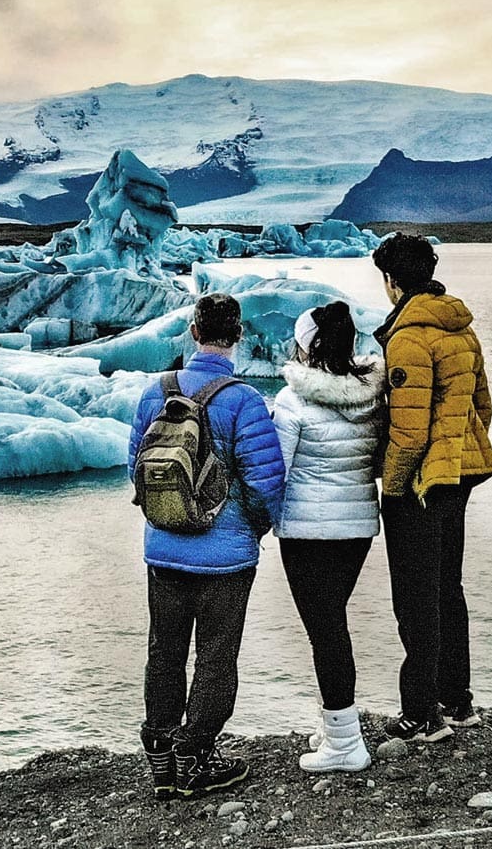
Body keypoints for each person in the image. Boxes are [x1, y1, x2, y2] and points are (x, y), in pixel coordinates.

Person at [129, 292, 286, 799]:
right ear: (237, 336)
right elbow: (266, 483)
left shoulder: (156, 392)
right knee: (216, 657)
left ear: (193, 332)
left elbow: (134, 464)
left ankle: (160, 756)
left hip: (164, 549)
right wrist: (255, 530)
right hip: (226, 557)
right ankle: (195, 758)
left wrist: (163, 518)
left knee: (165, 651)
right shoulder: (243, 400)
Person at [372, 233, 492, 742]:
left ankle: (422, 714)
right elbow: (482, 407)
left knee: (415, 596)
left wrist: (394, 488)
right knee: (449, 586)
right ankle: (458, 701)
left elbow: (407, 432)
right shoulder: (461, 329)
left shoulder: (409, 338)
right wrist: (458, 453)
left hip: (421, 483)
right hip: (460, 473)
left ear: (392, 281)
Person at [271, 301, 384, 773]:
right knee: (332, 623)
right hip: (356, 528)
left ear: (307, 344)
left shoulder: (292, 400)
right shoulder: (373, 396)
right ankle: (336, 726)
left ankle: (345, 744)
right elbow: (377, 461)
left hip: (305, 531)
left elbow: (275, 469)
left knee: (326, 631)